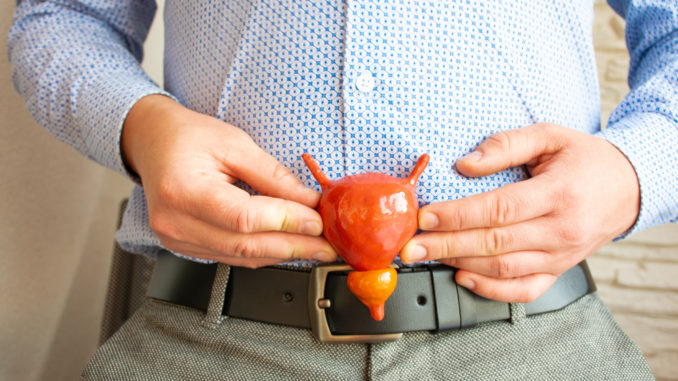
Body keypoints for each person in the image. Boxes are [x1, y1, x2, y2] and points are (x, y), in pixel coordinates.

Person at [8, 0, 676, 379]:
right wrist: (138, 124)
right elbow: (62, 18)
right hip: (207, 343)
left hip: (538, 347)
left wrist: (635, 170)